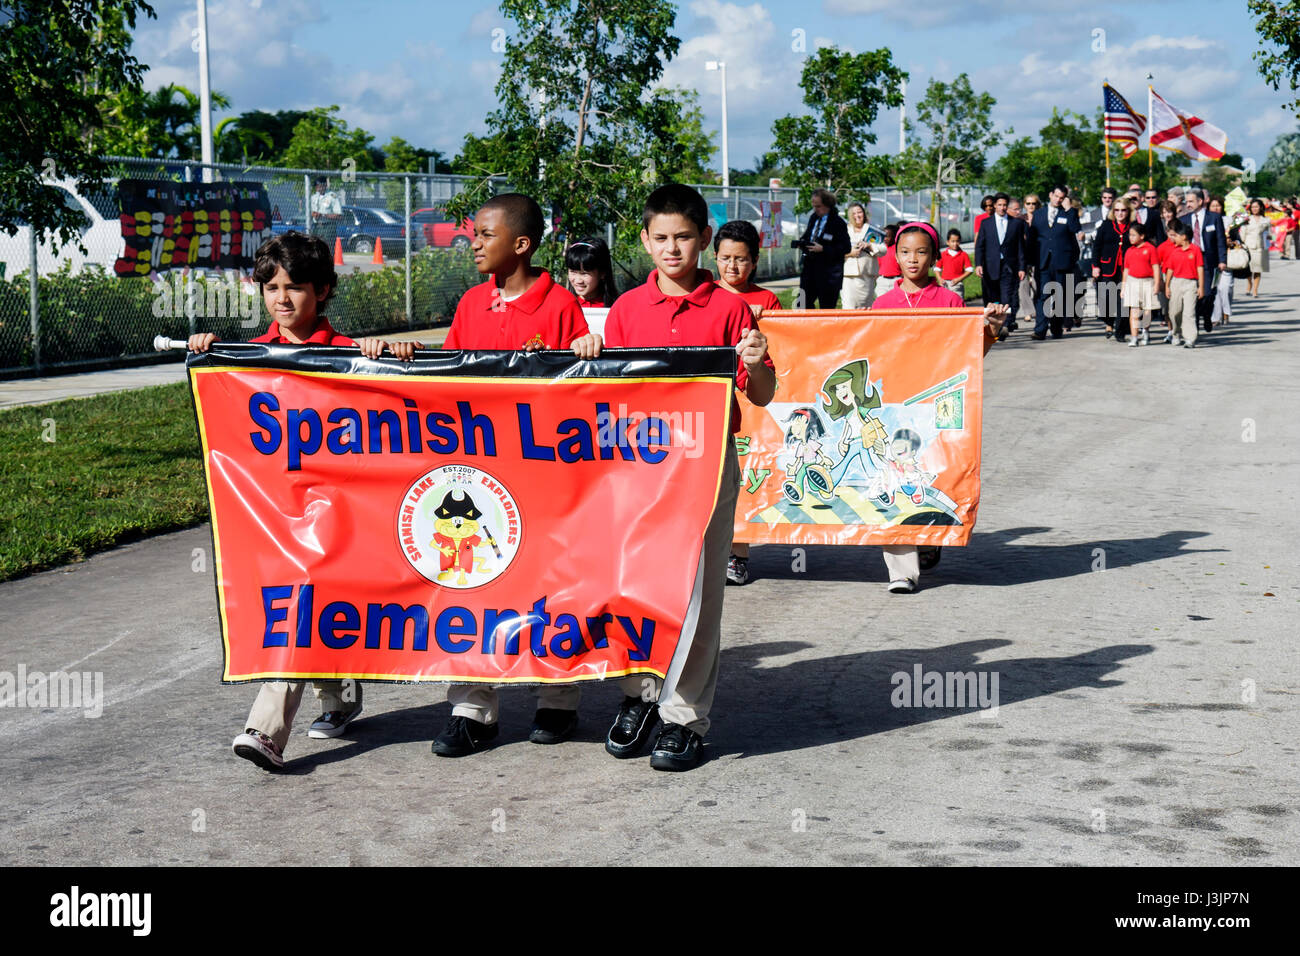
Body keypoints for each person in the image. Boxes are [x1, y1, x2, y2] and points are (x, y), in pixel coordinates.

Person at [187, 232, 414, 771]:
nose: (282, 299)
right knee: (302, 601)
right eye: (271, 287)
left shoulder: (349, 355)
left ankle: (266, 729)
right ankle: (336, 695)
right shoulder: (248, 358)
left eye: (296, 288)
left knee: (306, 598)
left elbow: (408, 399)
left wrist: (395, 357)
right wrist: (208, 351)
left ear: (325, 290)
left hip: (340, 508)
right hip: (275, 508)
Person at [571, 183, 775, 771]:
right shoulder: (627, 311)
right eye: (660, 238)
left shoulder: (732, 308)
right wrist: (590, 347)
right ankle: (639, 696)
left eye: (683, 237)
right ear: (643, 240)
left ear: (704, 238)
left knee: (699, 593)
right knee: (635, 586)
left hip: (707, 468)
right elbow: (597, 391)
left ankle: (685, 715)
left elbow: (761, 393)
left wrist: (757, 363)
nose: (672, 248)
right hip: (637, 470)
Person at [435, 193, 591, 756]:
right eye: (472, 234)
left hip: (547, 477)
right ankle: (473, 707)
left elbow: (580, 390)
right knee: (476, 582)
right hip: (481, 473)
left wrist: (587, 352)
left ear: (521, 244)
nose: (472, 242)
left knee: (554, 583)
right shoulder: (471, 305)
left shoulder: (559, 308)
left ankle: (558, 699)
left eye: (483, 233)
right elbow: (445, 383)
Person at [869, 221, 1006, 593]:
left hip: (937, 408)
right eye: (905, 252)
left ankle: (929, 538)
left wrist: (990, 330)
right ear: (894, 256)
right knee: (896, 480)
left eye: (921, 252)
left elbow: (967, 359)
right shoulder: (882, 305)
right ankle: (901, 571)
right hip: (895, 407)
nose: (913, 259)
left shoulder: (950, 302)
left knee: (930, 477)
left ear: (934, 257)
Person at [713, 219, 781, 586]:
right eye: (725, 258)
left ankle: (739, 555)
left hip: (756, 400)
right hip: (720, 402)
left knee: (752, 474)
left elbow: (784, 345)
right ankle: (722, 551)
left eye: (740, 259)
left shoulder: (767, 301)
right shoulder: (706, 296)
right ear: (714, 258)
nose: (732, 267)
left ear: (754, 261)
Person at [1029, 185, 1082, 339]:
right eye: (1056, 196)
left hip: (1061, 261)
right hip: (1043, 261)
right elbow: (1032, 239)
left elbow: (1075, 228)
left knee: (1059, 295)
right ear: (1050, 195)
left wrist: (1069, 210)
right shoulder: (1038, 214)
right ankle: (1040, 330)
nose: (1058, 200)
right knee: (1043, 295)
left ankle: (1056, 328)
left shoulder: (1068, 213)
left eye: (1061, 197)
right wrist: (1030, 262)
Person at [973, 191, 1025, 330]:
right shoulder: (986, 223)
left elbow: (1020, 247)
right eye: (999, 205)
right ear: (995, 205)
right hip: (991, 265)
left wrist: (1021, 267)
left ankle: (1005, 324)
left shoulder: (1016, 224)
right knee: (992, 296)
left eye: (1004, 205)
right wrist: (978, 264)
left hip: (1008, 266)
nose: (1002, 207)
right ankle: (993, 323)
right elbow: (980, 246)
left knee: (1006, 296)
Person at [1180, 187, 1227, 333]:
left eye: (1191, 201)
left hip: (1208, 259)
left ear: (1200, 201)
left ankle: (1207, 314)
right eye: (1186, 202)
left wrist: (1222, 260)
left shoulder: (1214, 218)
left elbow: (1220, 240)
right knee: (1192, 294)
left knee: (1207, 294)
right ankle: (1193, 325)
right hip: (1189, 260)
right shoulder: (1184, 219)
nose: (1187, 205)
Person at [795, 188, 850, 308]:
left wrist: (824, 249)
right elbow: (807, 235)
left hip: (828, 276)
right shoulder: (813, 218)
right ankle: (809, 326)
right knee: (802, 304)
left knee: (827, 307)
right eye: (814, 206)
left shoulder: (838, 223)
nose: (815, 209)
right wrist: (802, 243)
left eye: (818, 206)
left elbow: (846, 247)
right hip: (810, 271)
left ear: (827, 205)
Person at [1092, 198, 1133, 341]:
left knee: (1123, 300)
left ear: (1128, 211)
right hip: (1107, 267)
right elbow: (1096, 247)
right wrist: (1095, 266)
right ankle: (1109, 321)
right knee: (1106, 298)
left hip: (1127, 269)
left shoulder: (1133, 226)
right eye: (1117, 210)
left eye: (1123, 210)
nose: (1120, 213)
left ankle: (1120, 331)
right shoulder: (1106, 225)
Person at [1162, 219, 1204, 348]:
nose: (1174, 238)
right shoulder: (1174, 251)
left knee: (1189, 312)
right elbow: (1169, 269)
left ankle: (1190, 338)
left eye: (1177, 236)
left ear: (1184, 237)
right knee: (1174, 312)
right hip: (1176, 283)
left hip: (1190, 284)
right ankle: (1175, 333)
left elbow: (1200, 268)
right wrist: (1167, 286)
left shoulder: (1195, 250)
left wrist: (1201, 286)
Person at [1121, 219, 1161, 347]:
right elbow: (1126, 270)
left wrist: (1156, 284)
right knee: (1134, 311)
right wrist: (1123, 287)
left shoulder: (1150, 249)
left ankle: (1146, 331)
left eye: (1133, 235)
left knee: (1147, 311)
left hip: (1147, 282)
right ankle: (1134, 337)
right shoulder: (1129, 251)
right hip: (1133, 282)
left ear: (1142, 236)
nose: (1130, 238)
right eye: (1130, 235)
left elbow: (1155, 267)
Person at [841, 201, 882, 309]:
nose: (857, 216)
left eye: (859, 212)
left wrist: (870, 246)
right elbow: (835, 251)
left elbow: (883, 249)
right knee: (849, 307)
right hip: (848, 276)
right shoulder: (844, 230)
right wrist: (850, 253)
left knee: (867, 308)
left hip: (867, 275)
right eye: (854, 213)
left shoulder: (872, 229)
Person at [565, 236, 619, 306]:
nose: (578, 281)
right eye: (573, 272)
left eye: (584, 273)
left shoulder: (617, 307)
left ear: (602, 273)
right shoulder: (562, 305)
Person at [1240, 198, 1271, 298]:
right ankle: (1249, 283)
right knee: (1248, 269)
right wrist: (1241, 244)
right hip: (1248, 246)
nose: (1254, 209)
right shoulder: (1247, 219)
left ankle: (1255, 290)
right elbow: (1243, 233)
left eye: (1256, 207)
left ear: (1261, 207)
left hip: (1260, 248)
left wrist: (1269, 241)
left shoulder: (1266, 220)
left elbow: (1269, 234)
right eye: (1253, 207)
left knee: (1258, 269)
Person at [936, 228, 973, 295]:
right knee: (945, 303)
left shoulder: (963, 255)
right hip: (945, 284)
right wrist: (939, 279)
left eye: (957, 241)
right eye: (952, 241)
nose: (955, 244)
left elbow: (970, 270)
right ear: (948, 242)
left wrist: (959, 279)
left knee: (958, 303)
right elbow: (937, 269)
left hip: (957, 284)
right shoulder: (943, 254)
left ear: (960, 241)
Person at [309, 177, 343, 247]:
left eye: (319, 186)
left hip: (328, 227)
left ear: (324, 185)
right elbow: (312, 212)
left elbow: (339, 215)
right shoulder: (314, 197)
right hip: (317, 226)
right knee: (315, 248)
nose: (317, 188)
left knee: (328, 248)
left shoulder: (332, 196)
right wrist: (314, 214)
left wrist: (323, 215)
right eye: (316, 186)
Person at [873, 224, 902, 300]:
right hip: (882, 281)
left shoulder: (898, 248)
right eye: (883, 236)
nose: (885, 239)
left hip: (896, 281)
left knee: (895, 303)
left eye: (888, 236)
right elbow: (877, 265)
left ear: (894, 237)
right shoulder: (880, 248)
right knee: (882, 302)